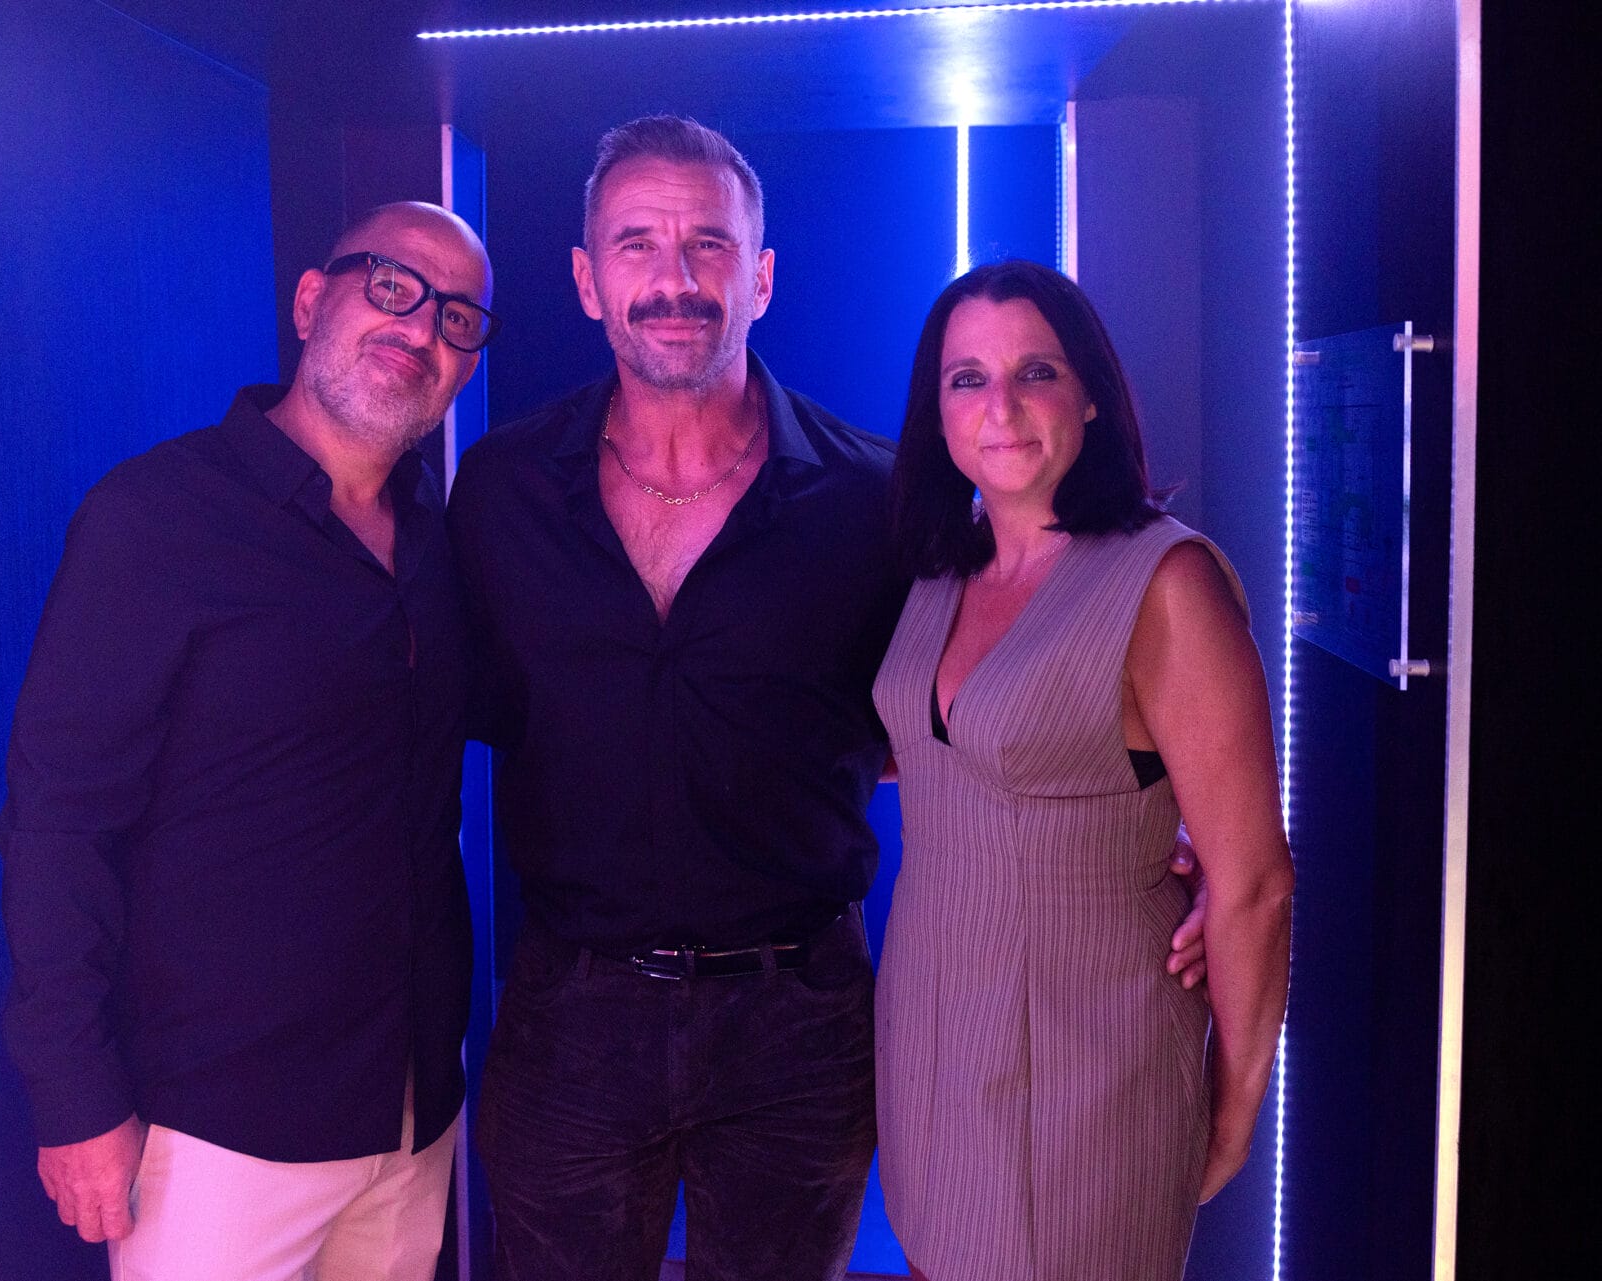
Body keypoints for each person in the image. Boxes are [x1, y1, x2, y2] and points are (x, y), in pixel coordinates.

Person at [448, 118, 1206, 1281]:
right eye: (638, 243)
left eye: (709, 244)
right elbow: (467, 702)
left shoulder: (874, 502)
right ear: (587, 281)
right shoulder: (502, 488)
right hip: (572, 1016)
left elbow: (958, 710)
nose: (674, 278)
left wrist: (1155, 819)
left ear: (760, 277)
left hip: (799, 1020)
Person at [0, 201, 493, 1281]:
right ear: (312, 301)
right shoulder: (157, 518)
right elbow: (58, 821)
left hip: (412, 1110)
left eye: (458, 318)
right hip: (215, 1131)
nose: (421, 328)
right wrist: (74, 1096)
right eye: (393, 285)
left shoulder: (439, 539)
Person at [872, 259, 1294, 1281]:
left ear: (1092, 394)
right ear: (937, 411)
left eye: (1037, 372)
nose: (1001, 406)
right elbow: (950, 752)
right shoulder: (941, 571)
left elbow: (1253, 884)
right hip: (929, 1041)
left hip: (1089, 1067)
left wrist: (1231, 1116)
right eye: (967, 379)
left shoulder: (1166, 583)